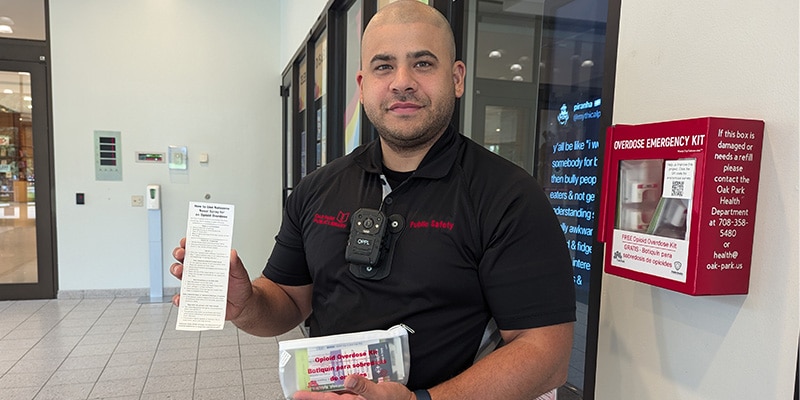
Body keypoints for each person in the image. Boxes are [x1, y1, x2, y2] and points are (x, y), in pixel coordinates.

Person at [170, 1, 575, 399]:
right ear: (363, 87)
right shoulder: (317, 189)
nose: (402, 81)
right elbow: (289, 301)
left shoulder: (508, 196)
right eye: (384, 66)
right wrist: (247, 304)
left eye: (422, 63)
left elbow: (545, 353)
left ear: (456, 78)